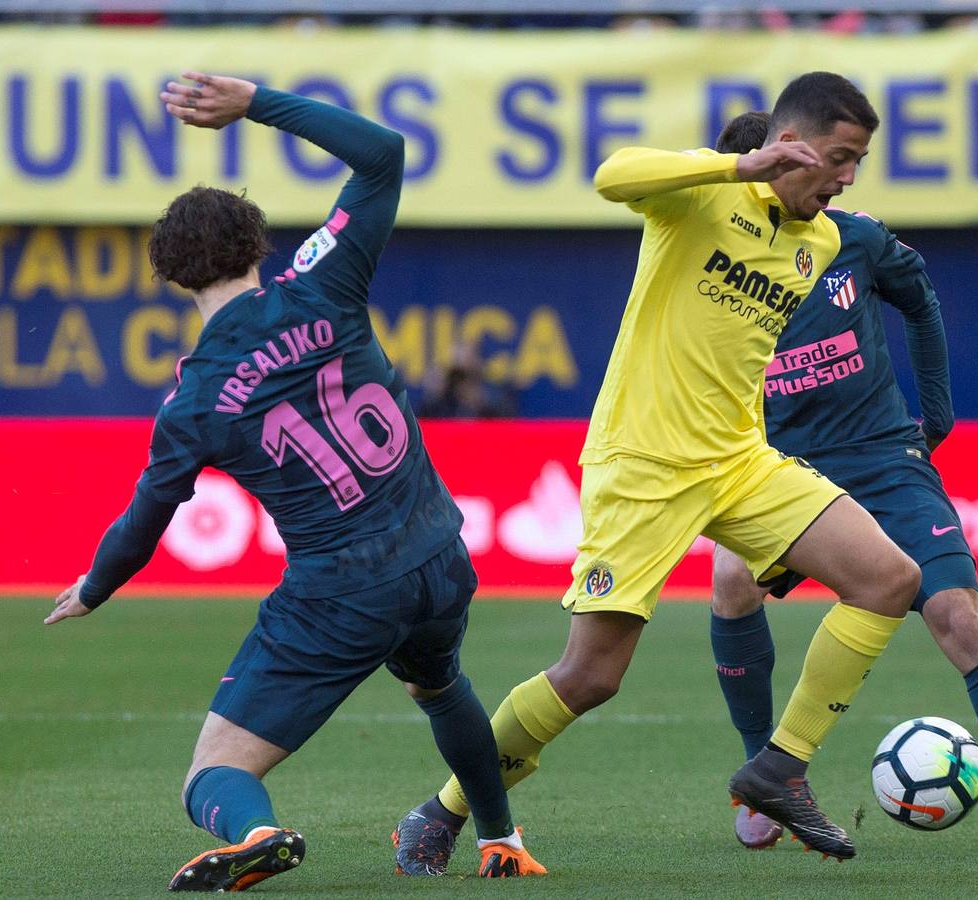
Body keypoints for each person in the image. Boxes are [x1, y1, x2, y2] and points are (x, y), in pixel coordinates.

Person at [393, 72, 923, 872]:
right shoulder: (700, 199)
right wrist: (734, 169)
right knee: (591, 676)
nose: (849, 176)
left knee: (888, 578)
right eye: (841, 157)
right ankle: (442, 811)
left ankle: (779, 767)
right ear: (793, 143)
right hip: (642, 463)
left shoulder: (817, 241)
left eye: (859, 161)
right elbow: (612, 176)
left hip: (740, 461)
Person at [43, 72, 544, 890]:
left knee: (211, 775)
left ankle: (257, 833)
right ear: (257, 244)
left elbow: (146, 517)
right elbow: (384, 154)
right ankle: (501, 837)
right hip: (439, 553)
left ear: (171, 277)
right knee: (439, 682)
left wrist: (96, 586)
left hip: (343, 590)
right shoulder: (325, 282)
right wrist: (255, 104)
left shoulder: (192, 401)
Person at [702, 110, 978, 856]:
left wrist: (938, 415)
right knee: (730, 581)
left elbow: (920, 301)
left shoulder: (851, 238)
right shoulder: (710, 257)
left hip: (885, 462)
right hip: (781, 469)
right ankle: (763, 776)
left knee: (959, 615)